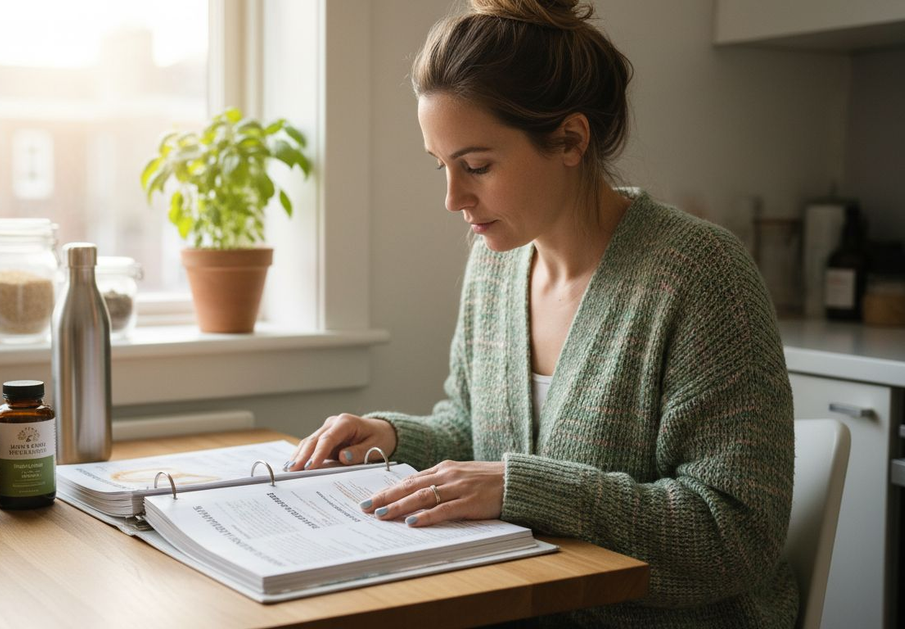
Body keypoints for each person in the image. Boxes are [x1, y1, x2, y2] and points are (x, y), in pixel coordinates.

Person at [286, 0, 797, 626]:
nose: (453, 198)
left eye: (476, 166)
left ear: (570, 140)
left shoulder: (699, 277)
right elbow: (474, 431)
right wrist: (391, 439)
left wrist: (524, 490)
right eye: (441, 167)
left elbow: (735, 537)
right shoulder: (495, 267)